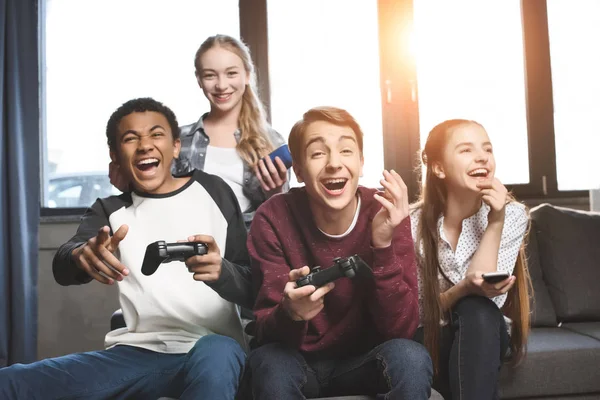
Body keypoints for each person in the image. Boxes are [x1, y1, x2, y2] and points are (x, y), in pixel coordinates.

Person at [0, 98, 253, 400]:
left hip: (214, 348)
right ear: (116, 156)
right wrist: (82, 256)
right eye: (130, 138)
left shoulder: (214, 191)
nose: (145, 145)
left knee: (218, 350)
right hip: (140, 354)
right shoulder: (109, 210)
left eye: (156, 134)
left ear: (175, 146)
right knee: (11, 381)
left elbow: (252, 285)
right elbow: (64, 264)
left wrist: (222, 272)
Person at [244, 106, 433, 399]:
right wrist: (289, 313)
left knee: (411, 356)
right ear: (299, 171)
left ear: (361, 161)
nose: (334, 163)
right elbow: (265, 329)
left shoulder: (385, 212)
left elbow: (402, 329)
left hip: (362, 362)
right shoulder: (272, 217)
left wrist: (382, 246)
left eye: (345, 150)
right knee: (269, 362)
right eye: (318, 153)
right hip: (296, 362)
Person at [110, 34, 288, 229]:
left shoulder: (271, 140)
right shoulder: (178, 140)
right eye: (210, 75)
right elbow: (155, 203)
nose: (221, 85)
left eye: (231, 73)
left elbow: (283, 221)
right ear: (199, 79)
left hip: (248, 252)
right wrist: (129, 188)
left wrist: (276, 193)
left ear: (246, 75)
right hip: (187, 246)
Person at [410, 119, 532, 400]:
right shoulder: (411, 224)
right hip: (428, 339)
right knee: (472, 306)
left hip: (484, 333)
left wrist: (495, 220)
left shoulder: (512, 216)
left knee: (478, 310)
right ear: (438, 168)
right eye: (466, 150)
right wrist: (462, 288)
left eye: (487, 149)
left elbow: (488, 297)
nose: (482, 157)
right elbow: (414, 314)